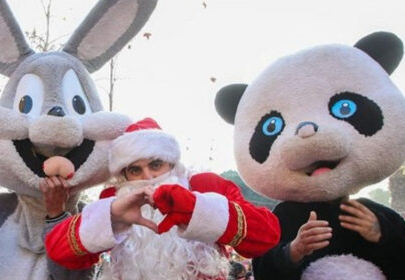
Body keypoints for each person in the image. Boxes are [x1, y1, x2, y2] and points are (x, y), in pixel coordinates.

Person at [42, 118, 281, 280]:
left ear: (172, 163)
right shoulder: (114, 200)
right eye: (135, 170)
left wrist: (194, 208)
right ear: (124, 176)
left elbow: (268, 235)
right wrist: (113, 217)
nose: (148, 177)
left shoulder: (206, 186)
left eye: (156, 165)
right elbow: (57, 250)